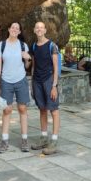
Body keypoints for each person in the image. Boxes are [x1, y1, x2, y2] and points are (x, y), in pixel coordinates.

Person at [0, 21, 31, 154]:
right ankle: (4, 141)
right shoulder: (1, 45)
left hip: (21, 80)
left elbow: (27, 66)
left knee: (22, 108)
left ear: (19, 32)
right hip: (5, 81)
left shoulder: (23, 45)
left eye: (17, 28)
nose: (15, 29)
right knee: (7, 110)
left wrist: (28, 59)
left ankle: (24, 140)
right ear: (9, 29)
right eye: (13, 27)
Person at [30, 21, 60, 155]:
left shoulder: (52, 46)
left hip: (49, 80)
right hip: (37, 80)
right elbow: (34, 66)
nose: (39, 29)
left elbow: (56, 67)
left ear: (45, 30)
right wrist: (32, 83)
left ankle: (54, 141)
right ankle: (44, 138)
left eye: (41, 27)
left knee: (53, 110)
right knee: (42, 109)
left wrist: (54, 86)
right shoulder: (34, 46)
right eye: (37, 27)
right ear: (34, 30)